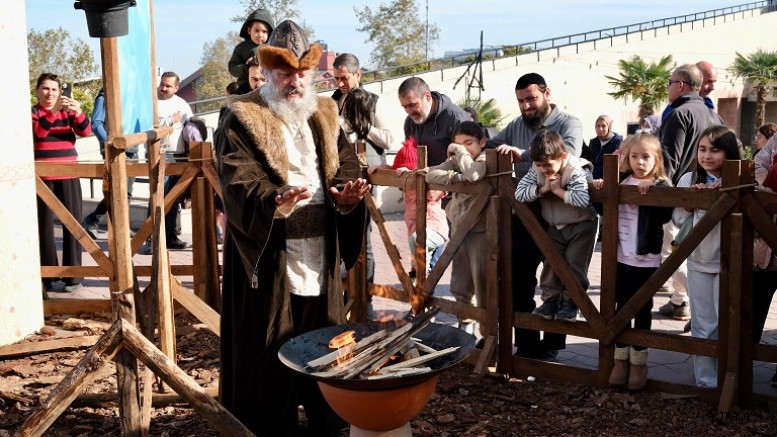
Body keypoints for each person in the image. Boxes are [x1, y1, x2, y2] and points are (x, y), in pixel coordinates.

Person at [215, 20, 369, 436]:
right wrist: (272, 200)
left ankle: (327, 422)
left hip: (320, 251)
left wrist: (349, 197)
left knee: (322, 340)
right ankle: (269, 427)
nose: (295, 82)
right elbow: (237, 177)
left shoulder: (326, 111)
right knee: (270, 345)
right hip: (272, 255)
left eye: (302, 73)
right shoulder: (240, 116)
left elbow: (346, 163)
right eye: (286, 73)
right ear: (266, 73)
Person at [489, 72, 583, 361]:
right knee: (519, 277)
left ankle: (553, 344)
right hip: (525, 212)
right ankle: (526, 342)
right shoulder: (516, 125)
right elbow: (492, 145)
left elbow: (570, 156)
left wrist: (522, 154)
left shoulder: (570, 123)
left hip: (562, 213)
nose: (526, 106)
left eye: (531, 98)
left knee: (559, 279)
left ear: (547, 93)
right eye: (520, 101)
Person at [591, 134, 673, 390]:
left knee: (642, 309)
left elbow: (664, 214)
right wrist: (601, 190)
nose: (639, 162)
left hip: (645, 259)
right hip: (620, 257)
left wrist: (652, 194)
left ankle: (639, 360)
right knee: (620, 306)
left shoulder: (662, 184)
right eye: (634, 156)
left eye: (646, 157)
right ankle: (621, 357)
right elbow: (603, 210)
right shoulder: (623, 181)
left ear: (656, 159)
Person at [672, 125, 741, 388]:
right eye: (702, 149)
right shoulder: (688, 180)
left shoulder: (738, 180)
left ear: (729, 153)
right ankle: (705, 381)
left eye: (715, 149)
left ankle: (729, 376)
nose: (707, 155)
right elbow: (678, 219)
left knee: (728, 321)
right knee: (703, 323)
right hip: (698, 261)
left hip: (729, 263)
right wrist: (690, 203)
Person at [515, 130, 597, 323]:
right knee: (551, 265)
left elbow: (581, 198)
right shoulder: (536, 169)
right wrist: (543, 189)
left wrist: (558, 191)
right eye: (539, 165)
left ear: (563, 156)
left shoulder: (575, 169)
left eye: (548, 165)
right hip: (555, 226)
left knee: (575, 266)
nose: (543, 169)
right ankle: (550, 301)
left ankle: (571, 304)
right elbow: (520, 193)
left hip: (581, 226)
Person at [658, 64, 718, 323]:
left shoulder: (679, 114)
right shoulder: (711, 113)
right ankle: (680, 302)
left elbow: (669, 163)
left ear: (680, 85)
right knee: (689, 254)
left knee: (669, 255)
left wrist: (655, 196)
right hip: (708, 196)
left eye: (669, 82)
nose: (668, 88)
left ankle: (699, 302)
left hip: (680, 197)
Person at [426, 121, 489, 335]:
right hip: (459, 231)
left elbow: (474, 175)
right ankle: (466, 330)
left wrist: (460, 154)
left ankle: (489, 337)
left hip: (482, 232)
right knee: (460, 284)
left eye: (468, 143)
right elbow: (431, 175)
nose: (463, 148)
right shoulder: (457, 162)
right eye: (458, 144)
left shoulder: (485, 158)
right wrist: (456, 177)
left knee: (483, 287)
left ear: (482, 142)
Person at [32, 73, 91, 292]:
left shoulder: (66, 112)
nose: (50, 93)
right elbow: (39, 133)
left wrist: (78, 112)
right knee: (44, 226)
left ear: (60, 92)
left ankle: (73, 277)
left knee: (73, 224)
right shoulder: (33, 112)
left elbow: (86, 131)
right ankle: (48, 275)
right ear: (38, 90)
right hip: (43, 177)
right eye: (46, 89)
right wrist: (54, 110)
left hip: (69, 173)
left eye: (55, 90)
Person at [368, 136, 448, 277]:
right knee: (416, 246)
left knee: (419, 246)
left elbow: (436, 191)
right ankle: (419, 273)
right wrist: (379, 169)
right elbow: (392, 171)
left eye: (406, 171)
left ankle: (423, 271)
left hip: (434, 229)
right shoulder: (405, 182)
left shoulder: (427, 178)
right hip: (416, 232)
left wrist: (414, 175)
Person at [140, 72, 193, 254]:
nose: (164, 88)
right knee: (157, 196)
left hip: (178, 155)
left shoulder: (182, 104)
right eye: (162, 84)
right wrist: (171, 120)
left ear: (176, 88)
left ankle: (170, 236)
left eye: (168, 86)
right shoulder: (151, 101)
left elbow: (191, 126)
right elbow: (148, 127)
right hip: (158, 154)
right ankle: (151, 238)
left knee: (173, 198)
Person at [82, 88, 138, 239]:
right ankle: (94, 219)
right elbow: (96, 124)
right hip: (116, 150)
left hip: (133, 149)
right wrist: (110, 144)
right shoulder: (104, 97)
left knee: (126, 192)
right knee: (116, 191)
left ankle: (121, 227)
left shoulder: (130, 97)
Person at [398, 77, 471, 166]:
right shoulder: (410, 122)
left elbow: (467, 163)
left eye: (413, 105)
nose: (409, 112)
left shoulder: (456, 118)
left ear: (427, 96)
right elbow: (410, 158)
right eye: (405, 107)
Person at [753, 132, 777, 387]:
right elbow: (759, 163)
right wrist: (769, 186)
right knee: (756, 299)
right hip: (766, 241)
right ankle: (742, 361)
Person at [228, 8, 274, 92]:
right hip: (245, 84)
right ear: (249, 30)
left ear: (269, 33)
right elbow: (232, 68)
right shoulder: (241, 48)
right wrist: (246, 68)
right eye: (257, 30)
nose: (260, 35)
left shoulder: (272, 48)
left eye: (264, 32)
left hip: (268, 83)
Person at [589, 115, 623, 180]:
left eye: (603, 126)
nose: (600, 129)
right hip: (592, 178)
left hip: (608, 178)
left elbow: (615, 165)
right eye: (598, 126)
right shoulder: (593, 142)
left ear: (609, 127)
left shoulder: (617, 141)